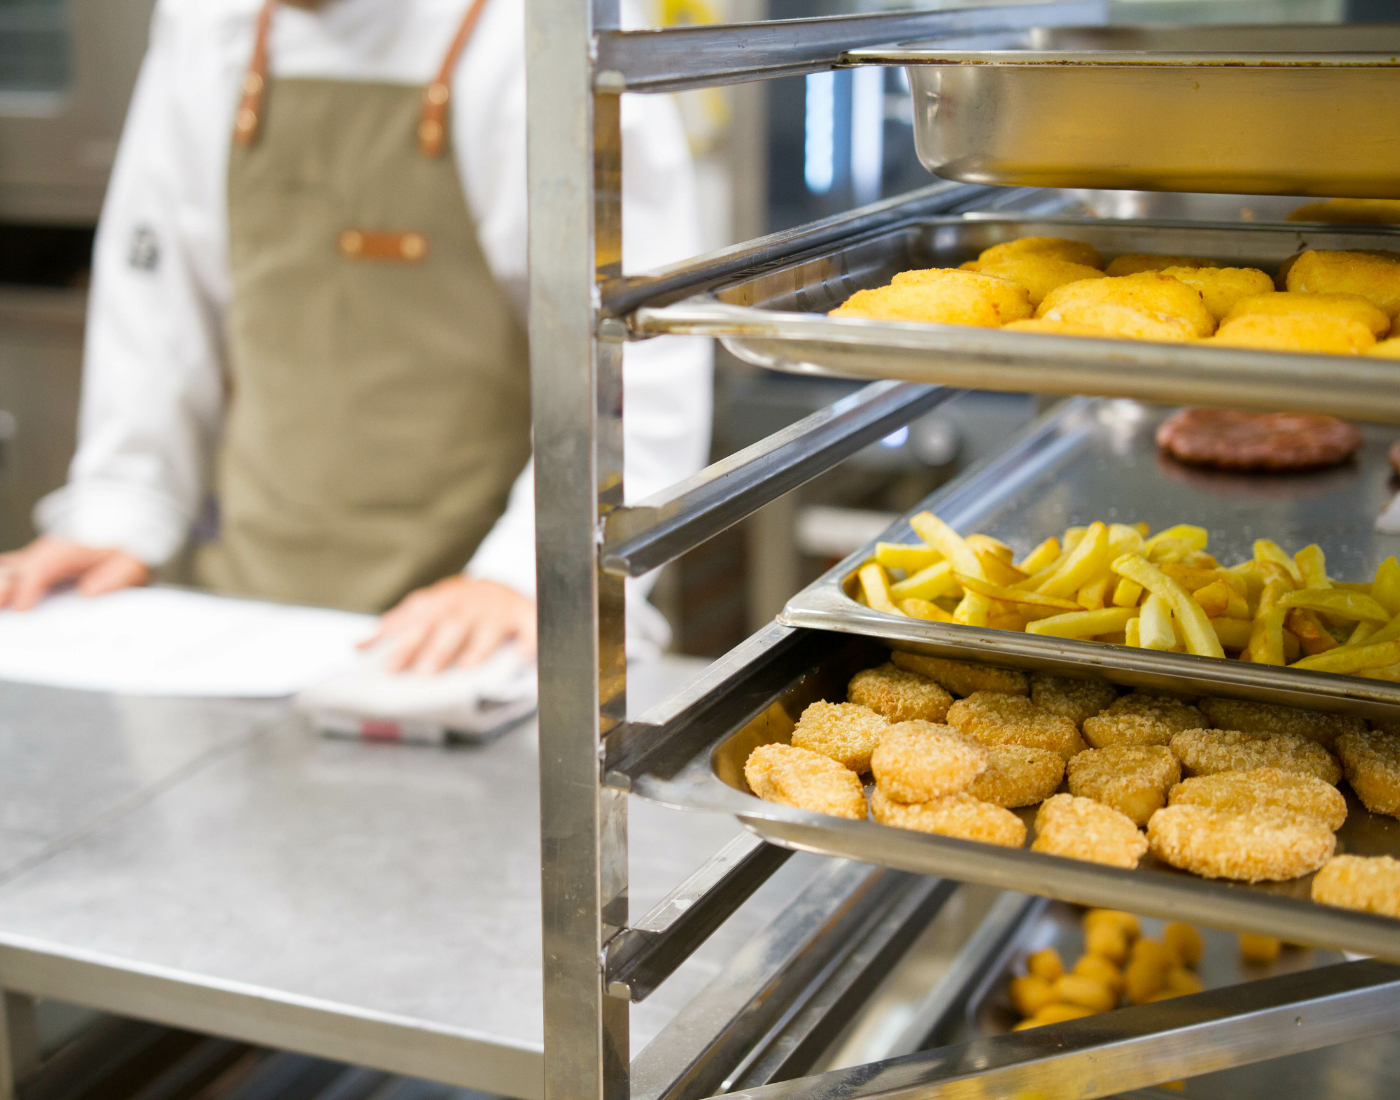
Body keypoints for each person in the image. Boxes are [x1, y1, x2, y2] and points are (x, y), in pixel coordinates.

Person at [0, 0, 712, 671]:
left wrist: (531, 573)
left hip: (485, 635)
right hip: (248, 611)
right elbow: (156, 296)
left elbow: (633, 354)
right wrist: (121, 507)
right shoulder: (208, 18)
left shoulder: (542, 25)